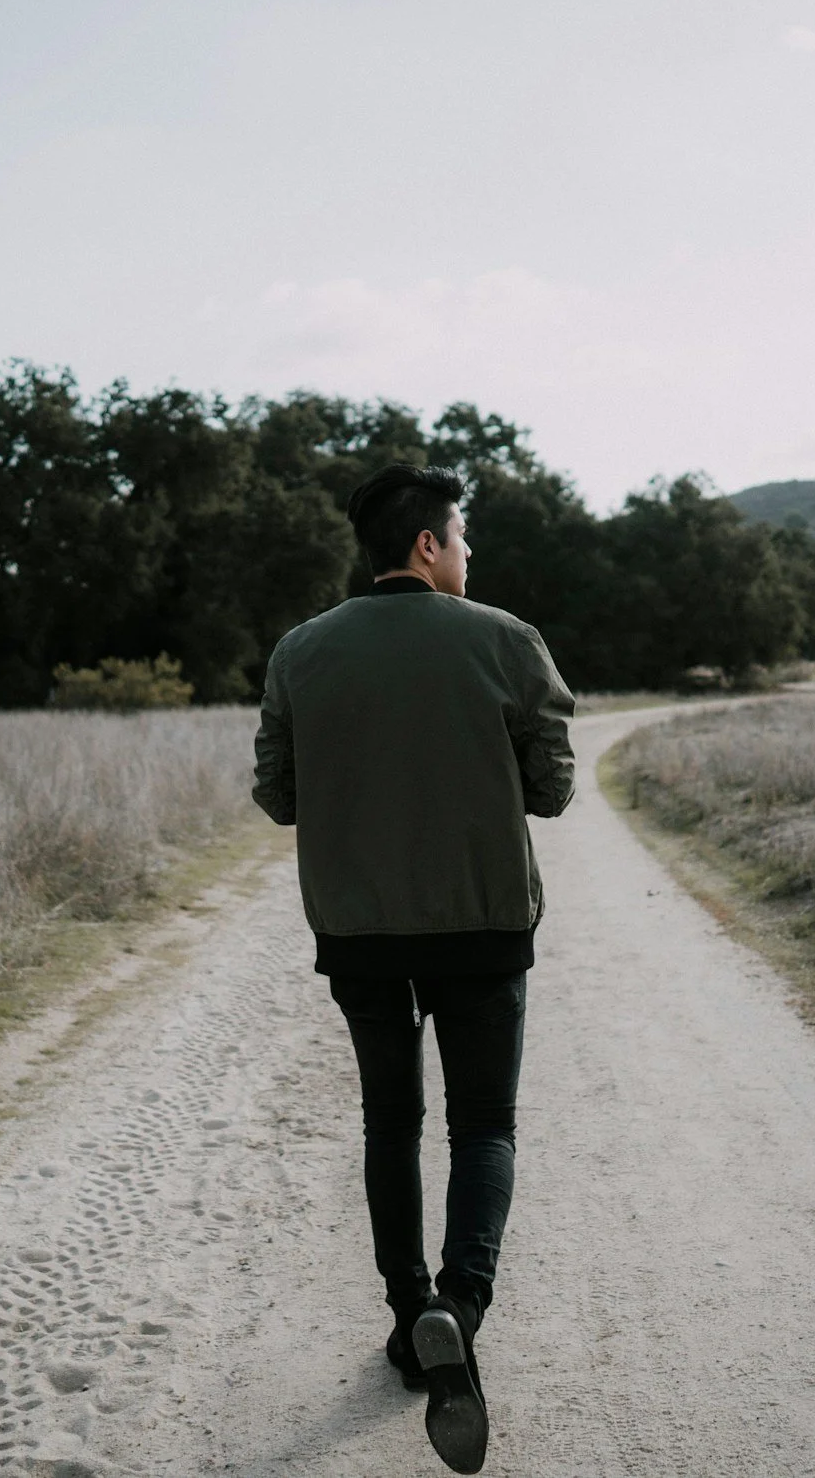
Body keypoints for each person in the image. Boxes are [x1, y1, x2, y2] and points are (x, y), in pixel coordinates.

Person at [252, 461, 575, 1475]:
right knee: (484, 1125)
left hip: (360, 934)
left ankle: (407, 1319)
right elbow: (553, 785)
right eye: (463, 538)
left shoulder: (302, 650)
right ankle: (460, 1308)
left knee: (390, 1122)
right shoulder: (502, 638)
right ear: (429, 545)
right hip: (481, 928)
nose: (468, 555)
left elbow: (276, 794)